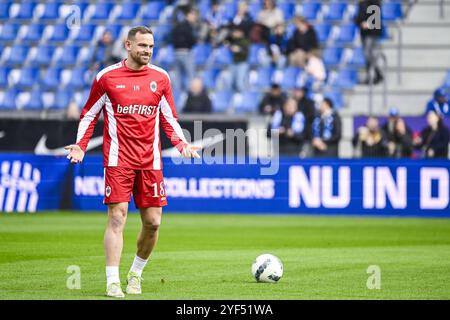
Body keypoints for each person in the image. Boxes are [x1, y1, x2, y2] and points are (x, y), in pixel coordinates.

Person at [65, 26, 200, 298]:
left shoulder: (161, 78)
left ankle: (135, 274)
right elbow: (89, 114)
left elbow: (168, 117)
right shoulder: (107, 77)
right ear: (128, 45)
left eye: (150, 46)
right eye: (142, 46)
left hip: (150, 160)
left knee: (153, 222)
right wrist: (80, 146)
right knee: (117, 216)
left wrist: (181, 143)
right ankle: (112, 281)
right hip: (118, 159)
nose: (147, 51)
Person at [354, 0, 384, 84]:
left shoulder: (375, 2)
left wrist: (368, 24)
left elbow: (376, 20)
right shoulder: (361, 3)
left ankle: (375, 75)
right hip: (364, 33)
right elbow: (358, 18)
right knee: (367, 55)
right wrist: (360, 23)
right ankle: (375, 75)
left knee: (368, 54)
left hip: (372, 33)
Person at [171, 8, 198, 91]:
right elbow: (192, 40)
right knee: (191, 76)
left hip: (176, 53)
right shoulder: (188, 26)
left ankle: (178, 96)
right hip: (186, 52)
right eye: (193, 15)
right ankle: (192, 96)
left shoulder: (177, 25)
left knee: (178, 77)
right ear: (188, 15)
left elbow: (171, 38)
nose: (194, 17)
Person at [224, 26, 250, 92]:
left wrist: (239, 50)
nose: (234, 33)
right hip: (234, 63)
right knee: (230, 82)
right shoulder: (233, 40)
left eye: (236, 32)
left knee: (240, 83)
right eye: (234, 32)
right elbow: (226, 41)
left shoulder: (245, 41)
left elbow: (247, 53)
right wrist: (229, 45)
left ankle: (243, 98)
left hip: (242, 63)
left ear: (241, 33)